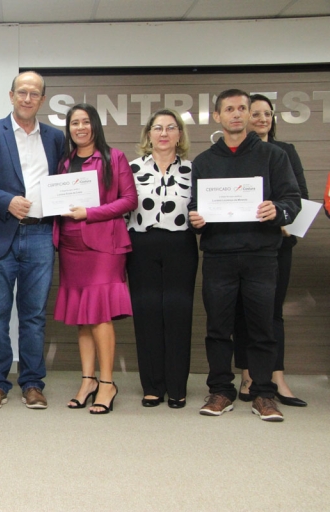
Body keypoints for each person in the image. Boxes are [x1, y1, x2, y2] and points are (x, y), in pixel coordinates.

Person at [189, 89, 301, 422]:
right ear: (217, 116)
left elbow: (292, 201)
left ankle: (263, 394)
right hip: (219, 256)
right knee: (217, 328)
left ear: (250, 114)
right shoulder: (204, 161)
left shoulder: (273, 156)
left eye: (242, 108)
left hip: (261, 256)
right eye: (229, 109)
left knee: (262, 328)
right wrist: (196, 218)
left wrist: (277, 209)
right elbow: (195, 205)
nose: (236, 114)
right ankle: (221, 390)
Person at [0, 71, 65, 410]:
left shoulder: (55, 138)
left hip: (40, 233)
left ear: (42, 99)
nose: (27, 98)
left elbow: (64, 182)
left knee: (34, 315)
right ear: (11, 95)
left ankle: (33, 383)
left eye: (34, 93)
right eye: (22, 92)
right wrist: (6, 201)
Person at [53, 104, 137, 415]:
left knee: (100, 314)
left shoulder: (114, 157)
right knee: (82, 315)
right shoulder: (64, 162)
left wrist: (90, 213)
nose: (80, 127)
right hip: (71, 244)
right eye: (74, 123)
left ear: (95, 125)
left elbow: (129, 200)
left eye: (85, 122)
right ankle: (87, 380)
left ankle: (107, 383)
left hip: (104, 245)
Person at [233, 94, 310, 407]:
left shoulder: (285, 151)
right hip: (243, 243)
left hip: (278, 243)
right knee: (242, 310)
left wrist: (282, 219)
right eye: (256, 113)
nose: (262, 119)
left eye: (267, 113)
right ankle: (247, 374)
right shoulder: (235, 153)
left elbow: (299, 196)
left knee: (272, 311)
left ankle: (277, 375)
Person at [126, 109, 197, 409]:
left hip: (180, 245)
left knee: (178, 314)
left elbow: (203, 208)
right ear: (148, 134)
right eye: (158, 128)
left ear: (180, 134)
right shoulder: (130, 169)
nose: (164, 133)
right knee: (147, 315)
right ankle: (153, 386)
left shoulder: (194, 170)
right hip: (141, 245)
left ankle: (177, 386)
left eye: (171, 127)